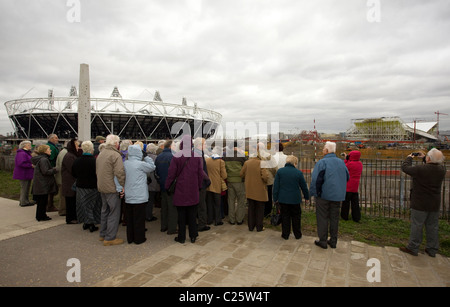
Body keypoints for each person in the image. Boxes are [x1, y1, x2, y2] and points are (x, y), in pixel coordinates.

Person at [400, 149, 446, 257]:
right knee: (432, 226)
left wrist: (409, 158)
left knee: (417, 225)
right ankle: (432, 249)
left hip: (420, 202)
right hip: (434, 202)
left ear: (429, 158)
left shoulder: (421, 169)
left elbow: (405, 168)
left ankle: (413, 247)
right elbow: (434, 164)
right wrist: (425, 157)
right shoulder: (442, 170)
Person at [165, 135, 207, 244]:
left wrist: (167, 186)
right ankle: (193, 236)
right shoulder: (197, 156)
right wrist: (198, 186)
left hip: (180, 190)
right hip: (193, 190)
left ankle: (182, 237)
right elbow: (200, 174)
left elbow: (171, 174)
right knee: (192, 215)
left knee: (181, 215)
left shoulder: (177, 156)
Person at [310, 141, 349, 249]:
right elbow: (347, 177)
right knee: (334, 218)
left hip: (324, 195)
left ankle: (322, 240)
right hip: (337, 196)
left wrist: (313, 193)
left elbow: (315, 180)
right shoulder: (341, 163)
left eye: (323, 149)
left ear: (326, 151)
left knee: (322, 217)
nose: (322, 150)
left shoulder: (322, 163)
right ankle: (333, 240)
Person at [96, 134, 126, 246]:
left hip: (102, 186)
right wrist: (122, 185)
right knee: (114, 212)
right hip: (112, 188)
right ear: (116, 144)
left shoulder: (101, 153)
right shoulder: (115, 155)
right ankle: (110, 238)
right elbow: (119, 172)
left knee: (105, 211)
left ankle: (102, 234)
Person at [123, 144, 156, 244]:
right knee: (139, 219)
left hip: (129, 195)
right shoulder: (141, 164)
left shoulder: (125, 163)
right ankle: (139, 238)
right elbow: (152, 167)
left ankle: (130, 238)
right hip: (140, 196)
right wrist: (146, 157)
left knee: (130, 218)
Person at [273, 155, 310, 240]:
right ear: (295, 163)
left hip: (283, 198)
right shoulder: (298, 173)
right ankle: (297, 234)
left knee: (285, 216)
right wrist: (306, 197)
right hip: (295, 199)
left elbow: (276, 187)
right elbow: (304, 186)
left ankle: (285, 234)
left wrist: (275, 198)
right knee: (296, 217)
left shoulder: (280, 172)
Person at [72, 141, 102, 232]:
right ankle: (92, 223)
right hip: (93, 186)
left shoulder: (77, 160)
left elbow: (73, 173)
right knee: (93, 205)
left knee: (83, 205)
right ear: (92, 150)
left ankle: (86, 222)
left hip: (81, 186)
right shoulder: (95, 161)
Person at [240, 151, 269, 232]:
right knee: (260, 209)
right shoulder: (262, 163)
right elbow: (265, 176)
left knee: (251, 208)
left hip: (249, 188)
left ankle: (251, 226)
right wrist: (265, 181)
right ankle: (259, 227)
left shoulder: (247, 163)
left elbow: (241, 173)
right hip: (259, 189)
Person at [155, 140, 178, 235]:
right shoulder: (172, 157)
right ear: (170, 147)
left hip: (162, 185)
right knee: (172, 208)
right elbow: (175, 172)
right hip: (171, 186)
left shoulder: (158, 157)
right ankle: (172, 228)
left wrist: (160, 181)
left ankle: (163, 226)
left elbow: (155, 172)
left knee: (164, 207)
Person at [31, 145, 58, 221]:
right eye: (49, 149)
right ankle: (41, 216)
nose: (51, 151)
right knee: (42, 201)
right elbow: (45, 171)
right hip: (43, 184)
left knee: (41, 201)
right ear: (45, 151)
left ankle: (40, 215)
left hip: (40, 183)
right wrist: (54, 170)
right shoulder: (44, 160)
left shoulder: (40, 159)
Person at [223, 141, 247, 225]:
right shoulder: (242, 157)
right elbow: (245, 168)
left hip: (229, 181)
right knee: (241, 201)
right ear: (237, 147)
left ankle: (232, 219)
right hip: (239, 181)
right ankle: (239, 219)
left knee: (231, 201)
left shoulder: (225, 156)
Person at [193, 137, 211, 232]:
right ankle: (202, 225)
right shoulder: (199, 154)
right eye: (205, 144)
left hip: (195, 183)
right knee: (202, 205)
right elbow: (200, 169)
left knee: (197, 204)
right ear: (200, 145)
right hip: (201, 184)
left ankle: (197, 222)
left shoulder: (194, 153)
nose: (206, 146)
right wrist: (207, 180)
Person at [206, 149, 227, 226]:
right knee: (217, 204)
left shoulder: (207, 160)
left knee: (209, 203)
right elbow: (224, 175)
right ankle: (217, 220)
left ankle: (210, 219)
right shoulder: (221, 162)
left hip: (208, 185)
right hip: (217, 185)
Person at [61, 139, 80, 224]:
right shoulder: (69, 156)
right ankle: (70, 218)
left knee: (72, 201)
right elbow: (72, 169)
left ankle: (73, 217)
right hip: (69, 182)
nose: (78, 147)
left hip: (70, 181)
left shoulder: (71, 155)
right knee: (70, 201)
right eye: (77, 145)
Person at [341, 150, 363, 222]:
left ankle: (344, 216)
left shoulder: (349, 164)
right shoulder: (360, 164)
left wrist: (346, 159)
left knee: (346, 203)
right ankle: (356, 217)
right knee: (355, 203)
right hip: (355, 187)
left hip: (348, 186)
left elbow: (343, 167)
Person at [13, 141, 35, 207]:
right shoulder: (22, 153)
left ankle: (26, 200)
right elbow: (21, 163)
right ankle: (23, 201)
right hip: (23, 173)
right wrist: (30, 165)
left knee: (27, 187)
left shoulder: (26, 153)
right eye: (28, 145)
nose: (30, 146)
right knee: (24, 188)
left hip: (27, 173)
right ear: (24, 146)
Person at [145, 143, 160, 222]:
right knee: (150, 199)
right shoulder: (156, 158)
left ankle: (147, 214)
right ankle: (149, 215)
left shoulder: (144, 157)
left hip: (145, 182)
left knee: (147, 200)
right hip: (153, 181)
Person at [55, 141, 69, 216]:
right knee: (63, 196)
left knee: (62, 195)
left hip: (60, 177)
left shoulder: (62, 152)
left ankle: (62, 209)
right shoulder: (65, 153)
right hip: (62, 178)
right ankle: (63, 210)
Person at [46, 134, 60, 212]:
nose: (57, 139)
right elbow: (52, 158)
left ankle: (49, 204)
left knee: (50, 189)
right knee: (51, 189)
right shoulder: (51, 147)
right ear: (51, 139)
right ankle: (49, 205)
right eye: (56, 138)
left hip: (50, 169)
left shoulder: (50, 146)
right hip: (51, 170)